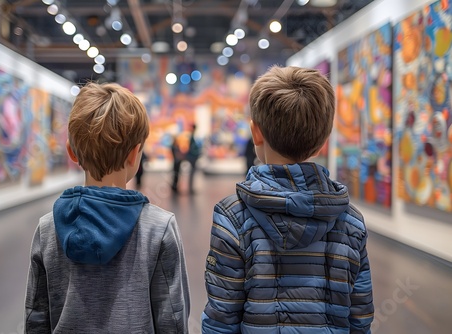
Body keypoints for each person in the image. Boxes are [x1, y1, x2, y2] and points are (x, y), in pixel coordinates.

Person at [201, 66, 374, 333]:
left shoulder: (232, 216)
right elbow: (360, 318)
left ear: (255, 133)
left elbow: (222, 317)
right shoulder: (351, 221)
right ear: (324, 141)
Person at [24, 82, 190, 333]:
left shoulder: (48, 228)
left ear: (72, 152)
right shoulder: (159, 227)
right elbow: (172, 318)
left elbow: (36, 316)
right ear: (135, 155)